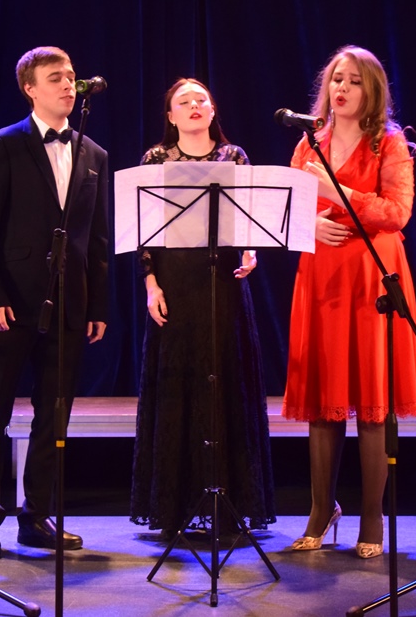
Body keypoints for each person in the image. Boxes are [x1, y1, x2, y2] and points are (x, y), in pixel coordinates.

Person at [282, 46, 416, 557]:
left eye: (354, 81)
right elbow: (286, 210)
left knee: (372, 401)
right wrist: (308, 224)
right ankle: (321, 509)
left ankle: (371, 516)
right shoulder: (310, 142)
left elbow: (398, 212)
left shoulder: (389, 142)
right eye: (336, 79)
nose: (341, 88)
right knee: (324, 400)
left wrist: (335, 188)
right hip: (322, 274)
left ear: (373, 90)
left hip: (371, 275)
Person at [0, 46, 109, 558]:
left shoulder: (94, 154)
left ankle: (37, 516)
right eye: (55, 78)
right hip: (10, 303)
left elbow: (96, 240)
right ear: (30, 88)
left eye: (71, 76)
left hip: (69, 304)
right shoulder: (3, 144)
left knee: (54, 415)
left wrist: (97, 306)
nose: (68, 85)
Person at [130, 78, 276, 538]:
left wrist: (251, 249)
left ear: (213, 111)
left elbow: (250, 220)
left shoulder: (234, 157)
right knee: (177, 385)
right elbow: (143, 231)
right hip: (175, 283)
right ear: (170, 116)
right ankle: (173, 507)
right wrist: (151, 284)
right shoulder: (155, 159)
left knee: (226, 381)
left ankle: (228, 505)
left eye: (201, 100)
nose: (194, 106)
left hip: (224, 282)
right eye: (183, 101)